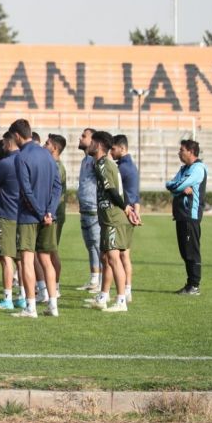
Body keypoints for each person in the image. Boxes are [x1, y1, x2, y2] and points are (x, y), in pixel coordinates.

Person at [9, 119, 61, 318]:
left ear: (16, 135)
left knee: (27, 261)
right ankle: (53, 306)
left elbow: (26, 191)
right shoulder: (47, 155)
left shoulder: (21, 157)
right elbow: (57, 186)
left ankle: (30, 308)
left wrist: (40, 213)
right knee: (46, 260)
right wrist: (50, 211)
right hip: (48, 216)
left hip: (29, 216)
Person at [85, 131, 135, 312]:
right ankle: (103, 297)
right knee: (106, 258)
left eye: (92, 142)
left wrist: (125, 207)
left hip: (113, 218)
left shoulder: (104, 165)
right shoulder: (104, 163)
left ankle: (121, 300)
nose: (89, 145)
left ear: (98, 145)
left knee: (114, 259)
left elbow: (113, 191)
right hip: (108, 218)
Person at [0, 133, 25, 311]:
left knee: (5, 257)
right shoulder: (26, 160)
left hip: (6, 214)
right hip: (24, 215)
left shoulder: (5, 163)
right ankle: (23, 296)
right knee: (21, 258)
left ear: (8, 143)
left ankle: (7, 298)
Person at [166, 139, 207, 295]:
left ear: (191, 151)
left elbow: (176, 185)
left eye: (181, 149)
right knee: (185, 252)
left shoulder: (198, 169)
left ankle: (194, 286)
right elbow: (171, 184)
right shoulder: (184, 168)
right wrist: (179, 189)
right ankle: (190, 284)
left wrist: (178, 187)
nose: (179, 152)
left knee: (191, 252)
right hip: (182, 215)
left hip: (191, 215)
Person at [111, 134, 141, 302]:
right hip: (129, 213)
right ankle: (127, 290)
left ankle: (123, 292)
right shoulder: (129, 165)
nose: (111, 152)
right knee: (124, 255)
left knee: (117, 256)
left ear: (122, 148)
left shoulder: (123, 168)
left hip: (123, 214)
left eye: (113, 149)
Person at [77, 128, 102, 293]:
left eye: (84, 136)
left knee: (98, 246)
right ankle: (94, 279)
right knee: (90, 246)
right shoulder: (85, 160)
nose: (80, 138)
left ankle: (101, 283)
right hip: (84, 209)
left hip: (94, 209)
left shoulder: (95, 161)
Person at [43, 134, 67, 299]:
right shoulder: (52, 164)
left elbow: (54, 192)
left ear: (55, 148)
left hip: (55, 213)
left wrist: (50, 212)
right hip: (53, 212)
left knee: (51, 251)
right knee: (49, 250)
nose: (45, 145)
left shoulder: (57, 167)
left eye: (47, 143)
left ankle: (55, 287)